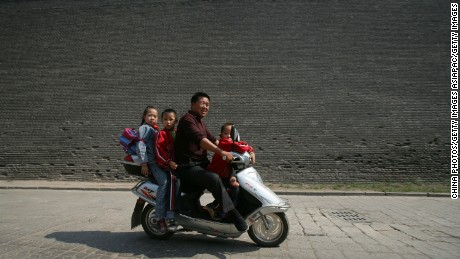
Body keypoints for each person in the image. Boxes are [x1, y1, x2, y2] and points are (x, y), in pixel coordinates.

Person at [174, 92, 248, 231]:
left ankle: (217, 207)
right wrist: (221, 152)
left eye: (207, 105)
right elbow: (201, 140)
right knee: (213, 178)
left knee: (229, 176)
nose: (205, 107)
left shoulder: (200, 121)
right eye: (203, 103)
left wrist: (235, 149)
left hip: (201, 164)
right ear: (193, 104)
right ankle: (233, 214)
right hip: (188, 166)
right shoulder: (187, 120)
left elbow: (214, 140)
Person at [207, 123, 256, 208]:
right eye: (226, 133)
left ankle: (216, 206)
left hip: (224, 174)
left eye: (231, 134)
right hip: (217, 174)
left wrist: (251, 151)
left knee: (233, 189)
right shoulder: (224, 143)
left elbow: (240, 144)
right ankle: (226, 211)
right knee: (234, 189)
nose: (229, 136)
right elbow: (241, 146)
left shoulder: (230, 144)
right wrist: (250, 150)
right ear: (221, 135)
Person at [153, 109, 179, 232]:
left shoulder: (177, 133)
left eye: (171, 119)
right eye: (165, 119)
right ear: (161, 120)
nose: (168, 122)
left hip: (176, 165)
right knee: (171, 181)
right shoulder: (160, 134)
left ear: (175, 120)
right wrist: (169, 162)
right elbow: (158, 152)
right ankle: (167, 216)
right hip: (165, 166)